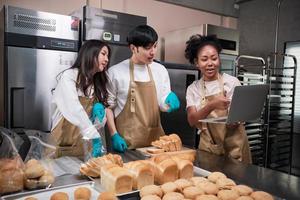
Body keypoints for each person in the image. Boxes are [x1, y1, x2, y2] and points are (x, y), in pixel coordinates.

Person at [107, 25, 180, 151]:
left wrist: (169, 101)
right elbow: (108, 107)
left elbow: (162, 105)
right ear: (133, 48)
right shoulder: (115, 72)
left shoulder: (160, 70)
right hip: (127, 145)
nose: (153, 52)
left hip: (156, 146)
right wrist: (114, 135)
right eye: (147, 48)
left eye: (155, 46)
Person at [185, 34, 252, 163]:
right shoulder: (193, 89)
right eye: (204, 59)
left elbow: (240, 115)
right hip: (209, 148)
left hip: (235, 146)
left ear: (219, 60)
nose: (210, 63)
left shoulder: (232, 82)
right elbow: (192, 120)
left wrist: (236, 121)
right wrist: (212, 105)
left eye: (214, 58)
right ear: (196, 63)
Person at [51, 39, 124, 158]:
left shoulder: (95, 82)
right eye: (103, 54)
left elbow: (96, 124)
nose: (107, 60)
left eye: (108, 56)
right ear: (91, 53)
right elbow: (73, 108)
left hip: (84, 143)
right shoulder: (70, 76)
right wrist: (94, 135)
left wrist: (100, 114)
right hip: (63, 141)